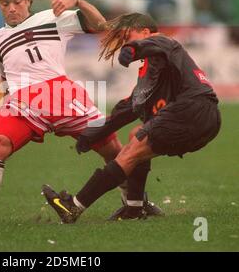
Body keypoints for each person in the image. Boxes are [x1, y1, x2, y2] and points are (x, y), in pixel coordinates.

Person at [0, 0, 162, 226]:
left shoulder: (52, 18)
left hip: (61, 93)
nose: (10, 8)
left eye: (15, 1)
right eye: (3, 3)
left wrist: (76, 1)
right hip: (22, 100)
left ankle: (136, 203)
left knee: (112, 149)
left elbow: (99, 24)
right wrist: (4, 102)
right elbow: (7, 74)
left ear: (27, 1)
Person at [42, 12, 221, 223]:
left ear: (146, 32)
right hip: (200, 119)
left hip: (193, 110)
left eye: (128, 37)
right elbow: (128, 108)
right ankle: (134, 208)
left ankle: (74, 206)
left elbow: (156, 43)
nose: (124, 44)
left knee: (132, 150)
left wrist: (133, 48)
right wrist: (93, 133)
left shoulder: (165, 42)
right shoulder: (149, 70)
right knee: (136, 134)